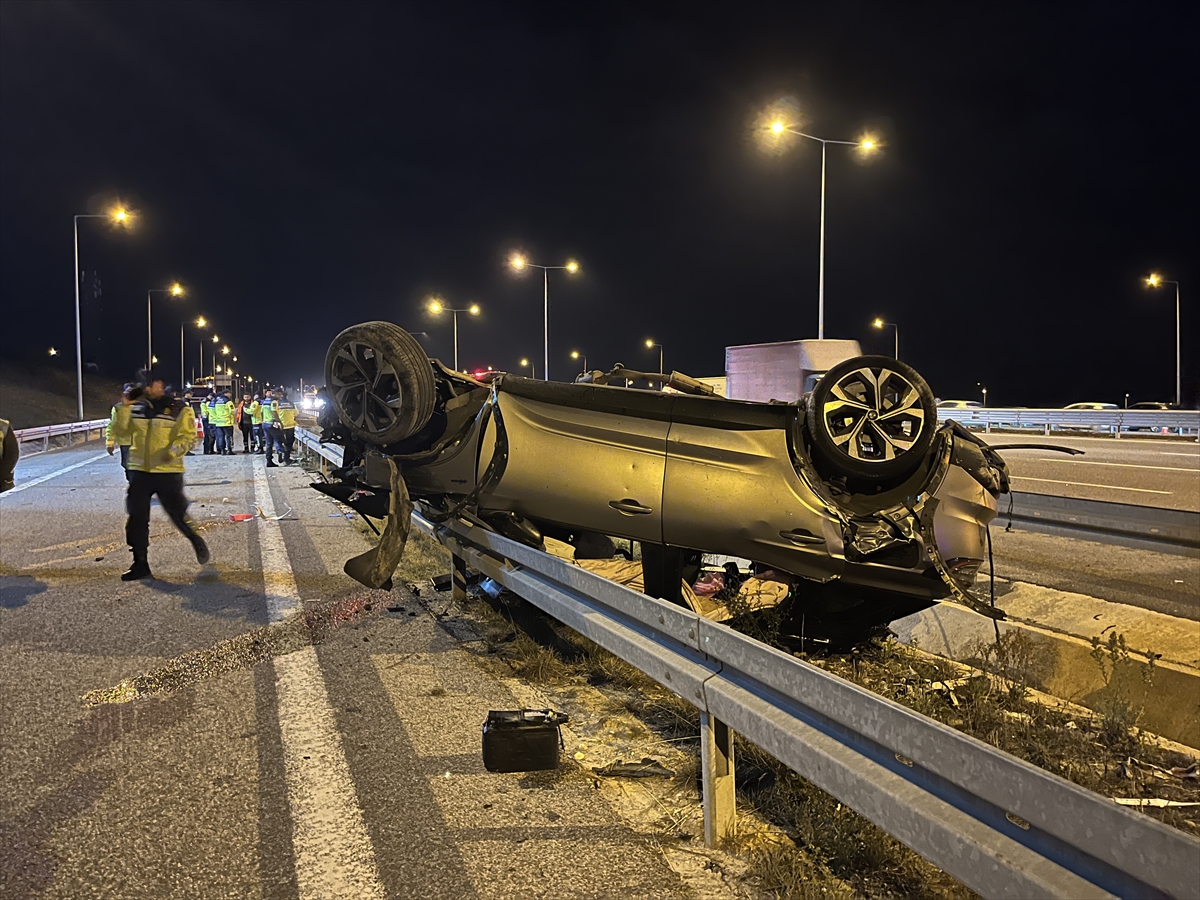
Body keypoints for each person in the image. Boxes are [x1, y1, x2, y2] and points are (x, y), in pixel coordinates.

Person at [111, 371, 209, 580]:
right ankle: (140, 563)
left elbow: (188, 437)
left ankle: (195, 539)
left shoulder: (178, 409)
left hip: (168, 472)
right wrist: (124, 408)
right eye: (144, 385)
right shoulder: (136, 408)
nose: (147, 389)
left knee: (178, 515)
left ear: (160, 385)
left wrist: (172, 452)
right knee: (137, 518)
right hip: (139, 471)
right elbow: (121, 434)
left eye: (151, 384)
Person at [105, 384, 136, 481]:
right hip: (125, 442)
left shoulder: (141, 407)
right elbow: (112, 425)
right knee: (126, 464)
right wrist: (110, 442)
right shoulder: (118, 408)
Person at [274, 389, 297, 465]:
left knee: (279, 441)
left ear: (281, 396)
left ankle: (280, 451)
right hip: (290, 426)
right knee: (289, 443)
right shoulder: (291, 403)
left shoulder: (278, 403)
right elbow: (296, 413)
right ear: (287, 396)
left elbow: (274, 413)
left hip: (281, 426)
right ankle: (287, 459)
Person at [209, 390, 234, 455]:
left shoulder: (217, 402)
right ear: (226, 394)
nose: (230, 395)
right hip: (227, 422)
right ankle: (229, 450)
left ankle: (222, 450)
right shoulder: (228, 401)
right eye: (229, 393)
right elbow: (232, 411)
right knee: (229, 437)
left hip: (218, 422)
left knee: (221, 437)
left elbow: (214, 411)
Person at [261, 388, 279, 466]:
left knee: (268, 443)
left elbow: (261, 412)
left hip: (265, 423)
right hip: (271, 424)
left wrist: (264, 420)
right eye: (280, 394)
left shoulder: (265, 401)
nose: (280, 396)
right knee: (279, 440)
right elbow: (274, 411)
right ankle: (283, 455)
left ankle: (269, 461)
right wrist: (279, 422)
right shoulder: (273, 401)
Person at [0, 417, 18, 493]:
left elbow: (12, 454)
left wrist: (3, 475)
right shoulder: (3, 425)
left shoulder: (4, 426)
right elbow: (12, 454)